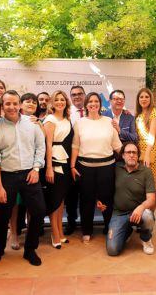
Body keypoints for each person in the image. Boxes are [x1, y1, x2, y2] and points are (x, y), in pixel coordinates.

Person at [0, 90, 46, 266]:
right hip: (6, 177)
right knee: (2, 215)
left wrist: (36, 169)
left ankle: (30, 250)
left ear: (20, 104)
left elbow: (40, 147)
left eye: (15, 103)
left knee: (38, 211)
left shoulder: (32, 123)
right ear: (2, 106)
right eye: (7, 104)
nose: (12, 107)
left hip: (30, 174)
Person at [70, 92, 122, 243]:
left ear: (100, 104)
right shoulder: (79, 123)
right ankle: (87, 230)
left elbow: (117, 145)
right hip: (85, 168)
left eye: (96, 101)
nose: (93, 104)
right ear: (86, 105)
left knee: (107, 199)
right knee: (86, 200)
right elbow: (75, 146)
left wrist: (131, 156)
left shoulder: (108, 121)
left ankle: (108, 227)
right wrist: (72, 165)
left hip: (107, 168)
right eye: (90, 101)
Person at [106, 142, 156, 256]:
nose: (132, 155)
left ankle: (146, 238)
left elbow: (151, 199)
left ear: (138, 155)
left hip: (138, 213)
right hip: (119, 213)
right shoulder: (116, 168)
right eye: (128, 152)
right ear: (123, 155)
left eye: (134, 152)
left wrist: (141, 207)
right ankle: (127, 231)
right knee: (112, 250)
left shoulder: (146, 172)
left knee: (148, 215)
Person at [43, 90, 74, 248]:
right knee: (54, 201)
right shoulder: (49, 119)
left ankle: (60, 233)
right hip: (54, 162)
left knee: (61, 200)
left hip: (66, 162)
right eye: (57, 99)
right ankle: (54, 235)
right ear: (52, 103)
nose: (60, 102)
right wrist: (48, 167)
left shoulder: (67, 119)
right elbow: (48, 144)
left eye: (63, 99)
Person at [64, 85, 87, 235]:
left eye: (79, 94)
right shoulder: (66, 114)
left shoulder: (94, 111)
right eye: (74, 95)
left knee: (86, 193)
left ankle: (86, 223)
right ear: (70, 98)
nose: (77, 97)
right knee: (71, 194)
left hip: (88, 158)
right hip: (71, 159)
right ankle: (71, 222)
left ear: (84, 95)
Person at [135, 88, 156, 201]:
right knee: (142, 183)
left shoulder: (155, 113)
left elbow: (152, 135)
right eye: (141, 97)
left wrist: (147, 154)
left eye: (146, 96)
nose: (144, 99)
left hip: (151, 150)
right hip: (140, 150)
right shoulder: (139, 115)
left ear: (151, 98)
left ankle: (151, 213)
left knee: (153, 185)